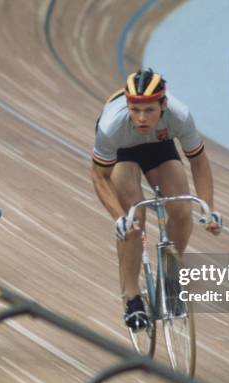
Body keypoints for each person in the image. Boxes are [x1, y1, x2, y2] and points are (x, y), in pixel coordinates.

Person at [91, 69, 222, 330]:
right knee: (133, 220)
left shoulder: (179, 116)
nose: (141, 118)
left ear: (164, 105)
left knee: (182, 208)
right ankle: (131, 297)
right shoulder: (111, 126)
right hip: (123, 151)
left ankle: (170, 280)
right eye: (135, 109)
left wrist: (208, 207)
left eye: (149, 110)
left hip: (159, 147)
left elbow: (198, 162)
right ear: (127, 106)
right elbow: (99, 176)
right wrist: (119, 217)